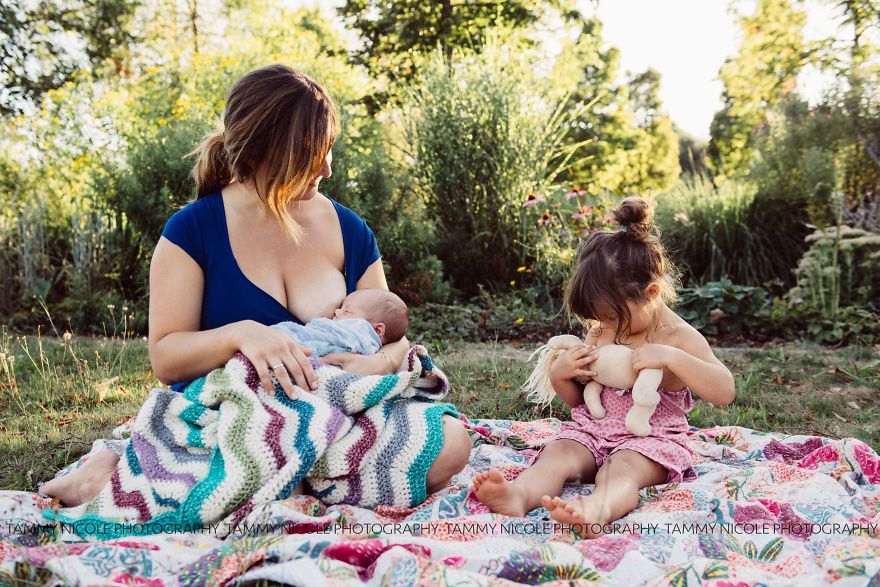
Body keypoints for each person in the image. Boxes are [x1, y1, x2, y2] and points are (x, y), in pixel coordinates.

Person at [41, 64, 470, 507]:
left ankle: (279, 482)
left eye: (329, 150)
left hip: (339, 409)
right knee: (260, 455)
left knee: (452, 442)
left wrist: (378, 364)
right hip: (233, 418)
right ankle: (112, 474)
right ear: (265, 150)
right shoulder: (193, 230)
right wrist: (240, 334)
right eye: (311, 153)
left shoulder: (349, 230)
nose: (326, 167)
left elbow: (394, 338)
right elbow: (166, 358)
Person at [471, 196, 735, 538]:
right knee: (558, 453)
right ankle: (518, 495)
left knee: (620, 469)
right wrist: (561, 374)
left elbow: (724, 390)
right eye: (597, 318)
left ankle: (595, 510)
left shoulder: (679, 338)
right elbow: (581, 401)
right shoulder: (601, 330)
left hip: (649, 439)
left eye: (610, 316)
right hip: (592, 430)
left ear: (651, 292)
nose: (602, 325)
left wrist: (672, 358)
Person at [271, 288, 409, 361]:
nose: (336, 311)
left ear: (378, 329)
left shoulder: (359, 335)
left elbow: (319, 340)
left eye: (347, 311)